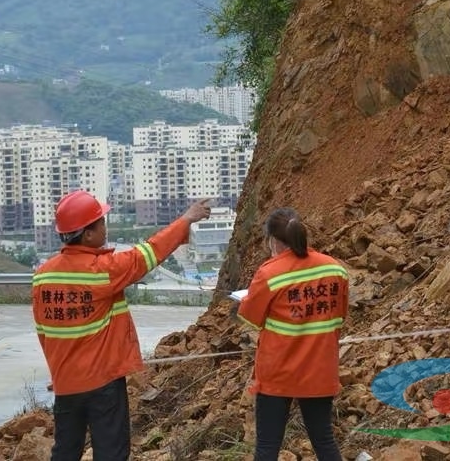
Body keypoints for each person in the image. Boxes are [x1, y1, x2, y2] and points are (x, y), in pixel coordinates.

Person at [32, 190, 211, 461]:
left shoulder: (43, 276)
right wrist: (186, 219)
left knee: (66, 451)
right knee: (111, 452)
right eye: (101, 221)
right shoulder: (103, 270)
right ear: (87, 234)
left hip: (66, 383)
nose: (106, 226)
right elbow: (149, 253)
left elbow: (45, 332)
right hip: (103, 382)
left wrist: (58, 371)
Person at [237, 207, 350, 461]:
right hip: (320, 369)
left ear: (273, 240)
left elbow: (250, 317)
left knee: (267, 446)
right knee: (324, 440)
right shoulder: (335, 270)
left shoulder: (269, 274)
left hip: (279, 372)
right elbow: (339, 316)